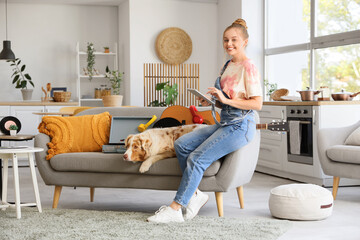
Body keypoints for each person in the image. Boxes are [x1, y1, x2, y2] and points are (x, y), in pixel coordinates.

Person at [147, 18, 263, 223]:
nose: (229, 44)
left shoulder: (249, 66)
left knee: (197, 158)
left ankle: (176, 208)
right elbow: (226, 104)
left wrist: (225, 99)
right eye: (226, 40)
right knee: (182, 145)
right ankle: (195, 195)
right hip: (224, 122)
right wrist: (213, 100)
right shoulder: (227, 65)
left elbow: (256, 104)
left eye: (234, 40)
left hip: (240, 126)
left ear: (245, 41)